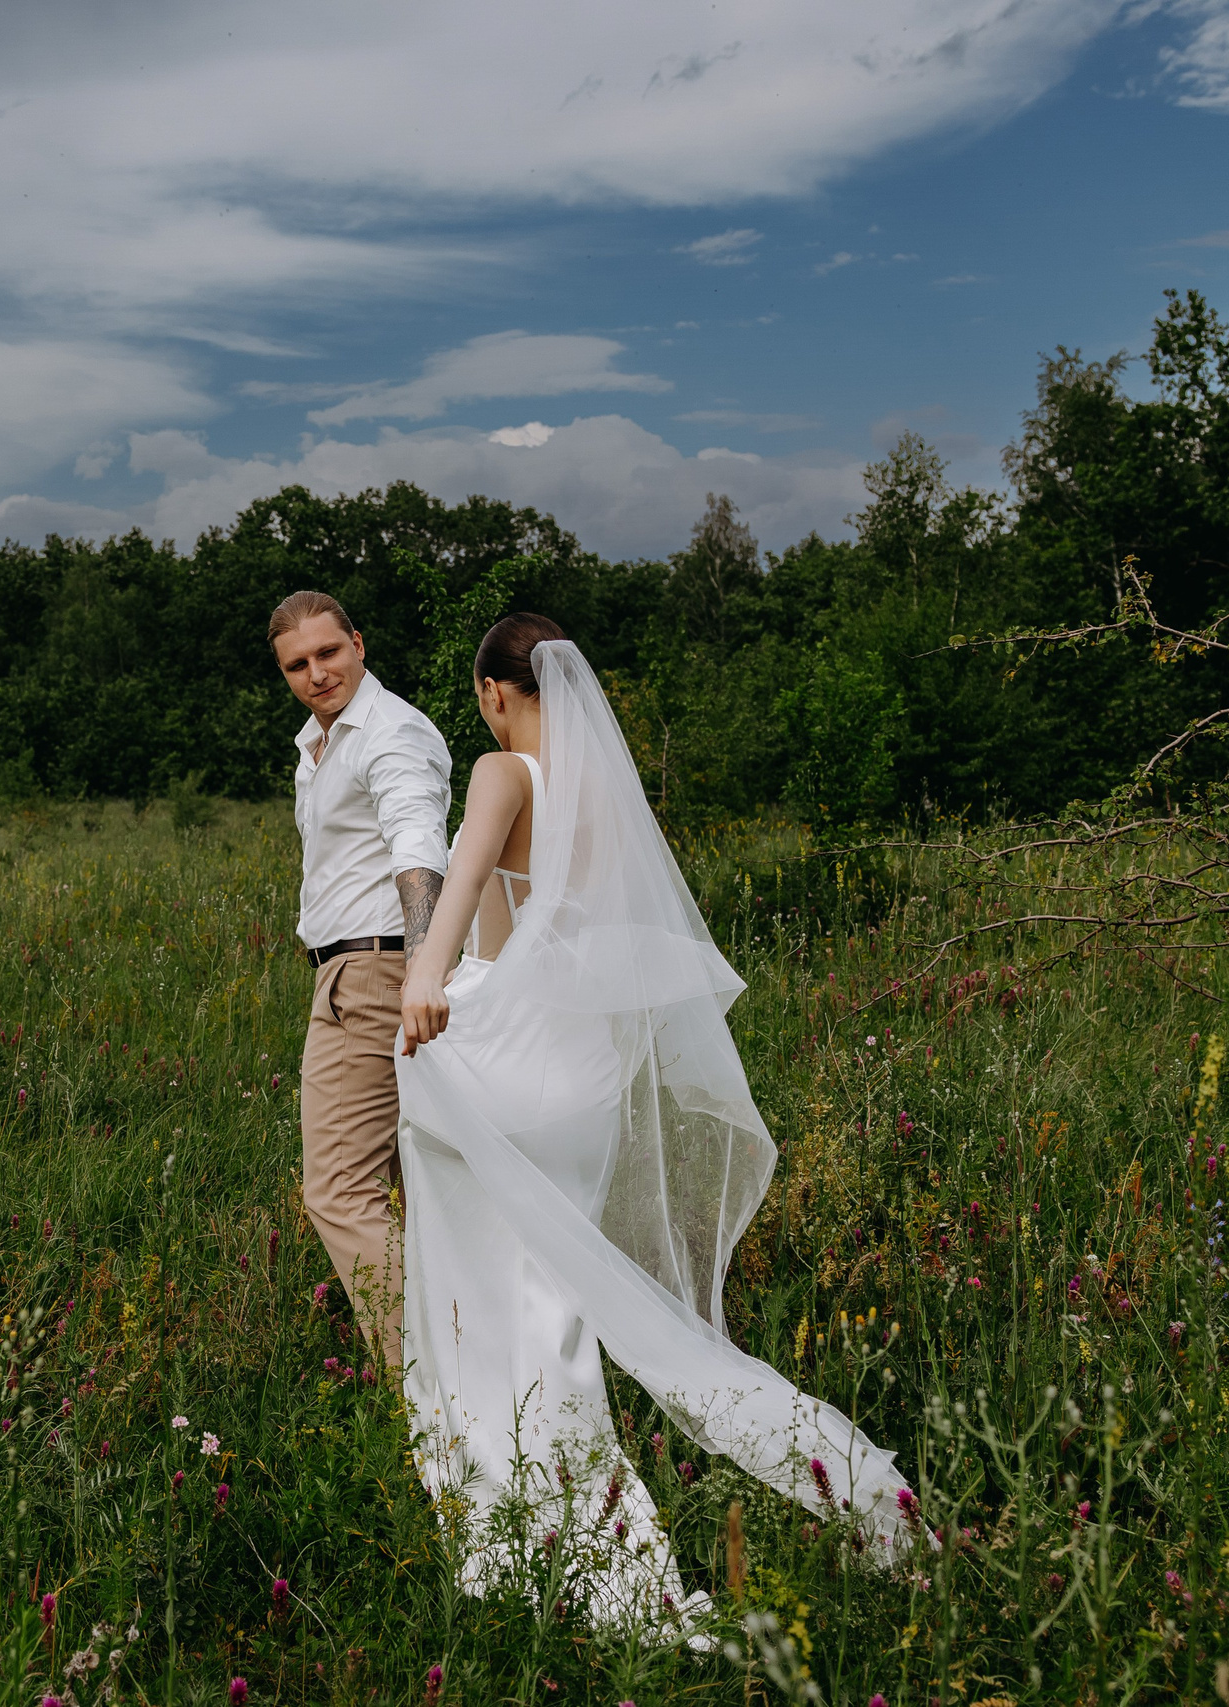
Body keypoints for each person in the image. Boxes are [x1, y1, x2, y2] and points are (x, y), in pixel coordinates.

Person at [392, 612, 921, 1624]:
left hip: (505, 1068)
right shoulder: (608, 797)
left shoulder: (502, 771)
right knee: (564, 1305)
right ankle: (854, 1488)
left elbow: (462, 888)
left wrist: (423, 979)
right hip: (583, 1081)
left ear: (493, 694)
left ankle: (529, 1528)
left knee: (490, 1294)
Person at [269, 589, 450, 1373]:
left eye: (328, 652)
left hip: (379, 972)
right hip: (357, 971)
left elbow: (418, 842)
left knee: (340, 1190)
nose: (316, 673)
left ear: (359, 643)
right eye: (297, 664)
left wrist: (424, 967)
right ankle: (473, 1363)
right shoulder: (316, 744)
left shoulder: (391, 731)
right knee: (427, 1187)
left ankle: (433, 1387)